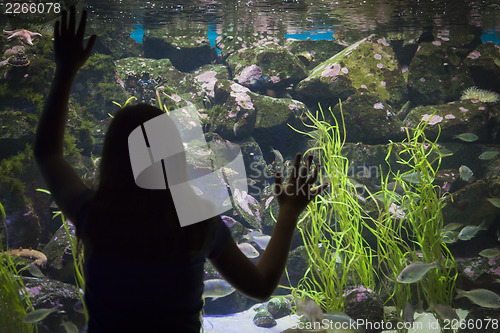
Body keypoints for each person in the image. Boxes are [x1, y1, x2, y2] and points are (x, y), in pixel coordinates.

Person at [34, 7, 328, 332]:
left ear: (113, 159)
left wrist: (65, 71)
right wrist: (287, 213)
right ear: (174, 158)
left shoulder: (96, 216)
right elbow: (259, 285)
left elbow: (48, 153)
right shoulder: (198, 224)